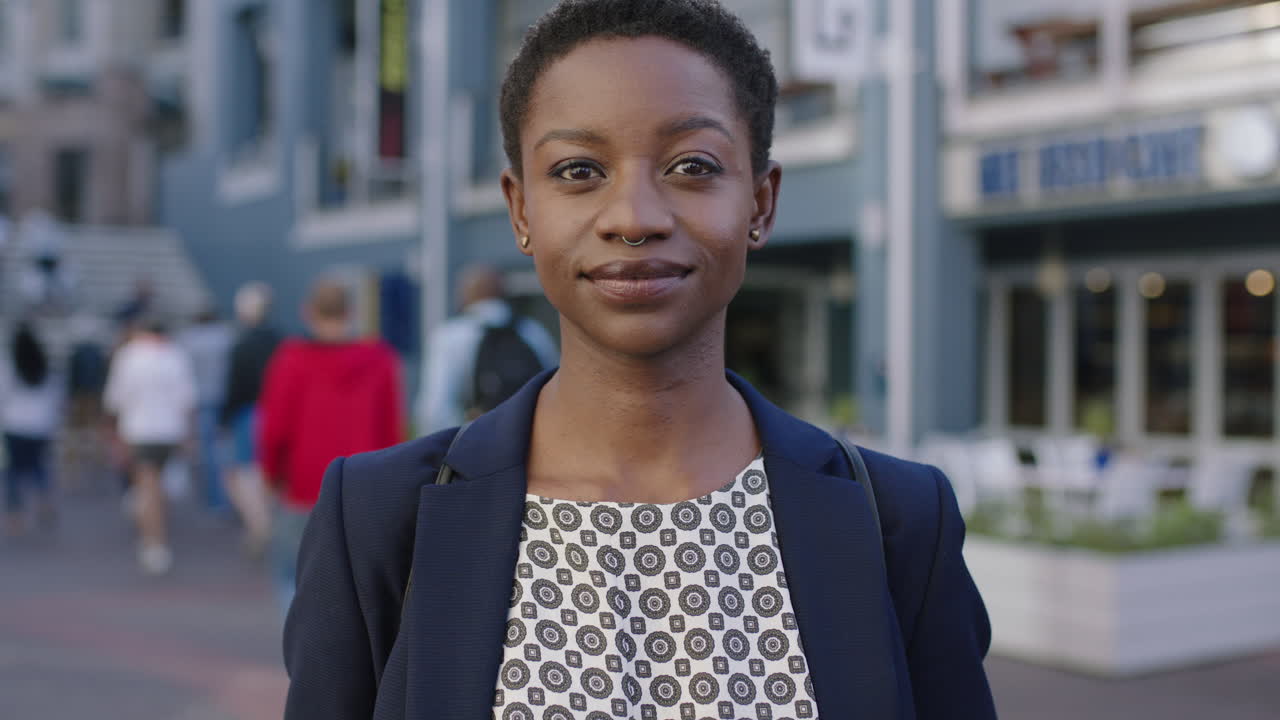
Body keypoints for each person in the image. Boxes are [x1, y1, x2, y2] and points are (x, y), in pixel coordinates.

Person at [283, 2, 996, 718]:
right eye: (579, 169)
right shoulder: (381, 516)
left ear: (761, 202)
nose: (634, 216)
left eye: (692, 166)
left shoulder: (897, 520)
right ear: (522, 209)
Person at [257, 278, 405, 613]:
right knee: (358, 582)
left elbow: (275, 429)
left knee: (294, 576)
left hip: (305, 484)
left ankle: (302, 658)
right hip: (364, 485)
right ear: (350, 313)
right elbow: (392, 428)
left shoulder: (290, 360)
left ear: (308, 313)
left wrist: (270, 477)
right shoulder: (380, 360)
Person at [416, 264, 558, 434]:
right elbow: (556, 385)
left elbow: (435, 409)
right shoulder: (532, 331)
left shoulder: (451, 335)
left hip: (478, 441)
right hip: (530, 439)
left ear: (465, 295)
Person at [103, 318, 197, 575]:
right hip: (170, 430)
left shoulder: (128, 355)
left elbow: (115, 400)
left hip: (140, 430)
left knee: (147, 487)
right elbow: (187, 401)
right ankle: (156, 533)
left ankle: (154, 543)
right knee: (159, 487)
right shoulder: (176, 354)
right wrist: (189, 435)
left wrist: (114, 436)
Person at [218, 282, 281, 556]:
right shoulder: (283, 342)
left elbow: (234, 387)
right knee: (273, 473)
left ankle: (260, 526)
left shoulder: (242, 345)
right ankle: (268, 524)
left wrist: (224, 418)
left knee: (246, 474)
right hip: (276, 411)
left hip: (249, 414)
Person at [0, 322, 62, 536]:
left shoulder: (10, 366)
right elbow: (56, 395)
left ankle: (14, 515)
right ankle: (45, 501)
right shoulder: (44, 365)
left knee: (12, 472)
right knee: (39, 467)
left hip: (15, 425)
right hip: (41, 424)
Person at [178, 307, 236, 513]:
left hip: (200, 399)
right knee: (225, 450)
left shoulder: (188, 340)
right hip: (224, 399)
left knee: (207, 451)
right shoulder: (226, 338)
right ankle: (229, 498)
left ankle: (215, 499)